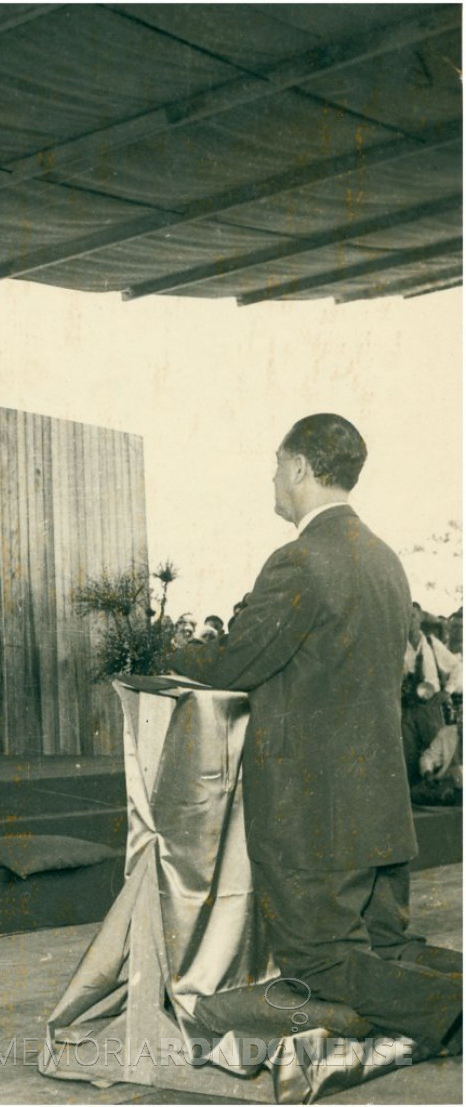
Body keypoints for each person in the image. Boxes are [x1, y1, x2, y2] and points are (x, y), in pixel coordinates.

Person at [168, 413, 461, 1058]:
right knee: (389, 949)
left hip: (318, 819)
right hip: (381, 809)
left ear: (299, 468)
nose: (273, 478)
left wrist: (168, 653)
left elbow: (231, 665)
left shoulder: (300, 560)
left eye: (277, 465)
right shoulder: (385, 559)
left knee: (324, 964)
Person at [402, 602, 463, 792]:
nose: (409, 621)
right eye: (405, 616)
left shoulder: (431, 643)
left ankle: (441, 792)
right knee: (409, 755)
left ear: (419, 618)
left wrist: (447, 691)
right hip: (407, 708)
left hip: (430, 707)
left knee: (436, 749)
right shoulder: (397, 646)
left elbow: (457, 667)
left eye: (412, 616)